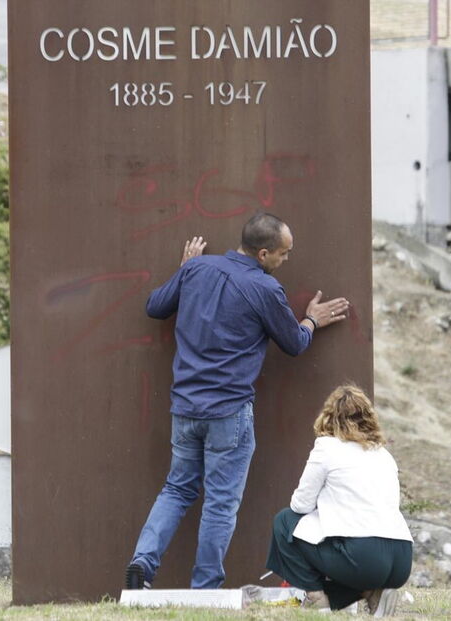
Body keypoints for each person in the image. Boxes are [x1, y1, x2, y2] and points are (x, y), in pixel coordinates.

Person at [125, 212, 351, 590]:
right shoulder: (265, 289)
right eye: (284, 253)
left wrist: (184, 272)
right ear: (263, 254)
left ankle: (142, 563)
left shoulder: (197, 270)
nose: (287, 260)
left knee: (177, 489)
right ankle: (205, 588)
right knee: (219, 502)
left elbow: (155, 306)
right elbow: (294, 344)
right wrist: (310, 320)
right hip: (229, 413)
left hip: (184, 407)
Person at [266, 384, 412, 616]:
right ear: (369, 418)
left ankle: (316, 597)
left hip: (364, 557)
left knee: (284, 522)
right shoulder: (384, 455)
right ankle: (373, 592)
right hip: (401, 559)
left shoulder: (327, 447)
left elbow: (300, 505)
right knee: (351, 557)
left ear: (329, 416)